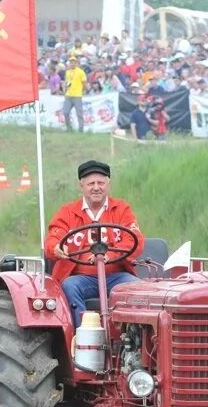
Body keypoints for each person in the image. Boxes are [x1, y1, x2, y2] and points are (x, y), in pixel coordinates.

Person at [45, 160, 143, 329]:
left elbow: (135, 239)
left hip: (116, 276)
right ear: (81, 186)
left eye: (101, 183)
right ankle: (83, 337)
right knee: (69, 286)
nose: (96, 187)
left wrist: (110, 255)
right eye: (91, 183)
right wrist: (57, 247)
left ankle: (131, 339)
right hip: (81, 278)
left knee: (137, 288)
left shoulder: (122, 209)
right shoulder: (67, 212)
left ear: (108, 184)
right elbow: (54, 236)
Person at [62, 56, 87, 131]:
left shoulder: (80, 72)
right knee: (65, 112)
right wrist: (65, 89)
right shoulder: (67, 72)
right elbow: (67, 82)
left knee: (79, 113)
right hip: (68, 95)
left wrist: (83, 90)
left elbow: (84, 83)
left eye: (73, 62)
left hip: (77, 95)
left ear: (76, 63)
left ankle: (81, 129)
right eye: (71, 62)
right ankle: (69, 128)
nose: (72, 63)